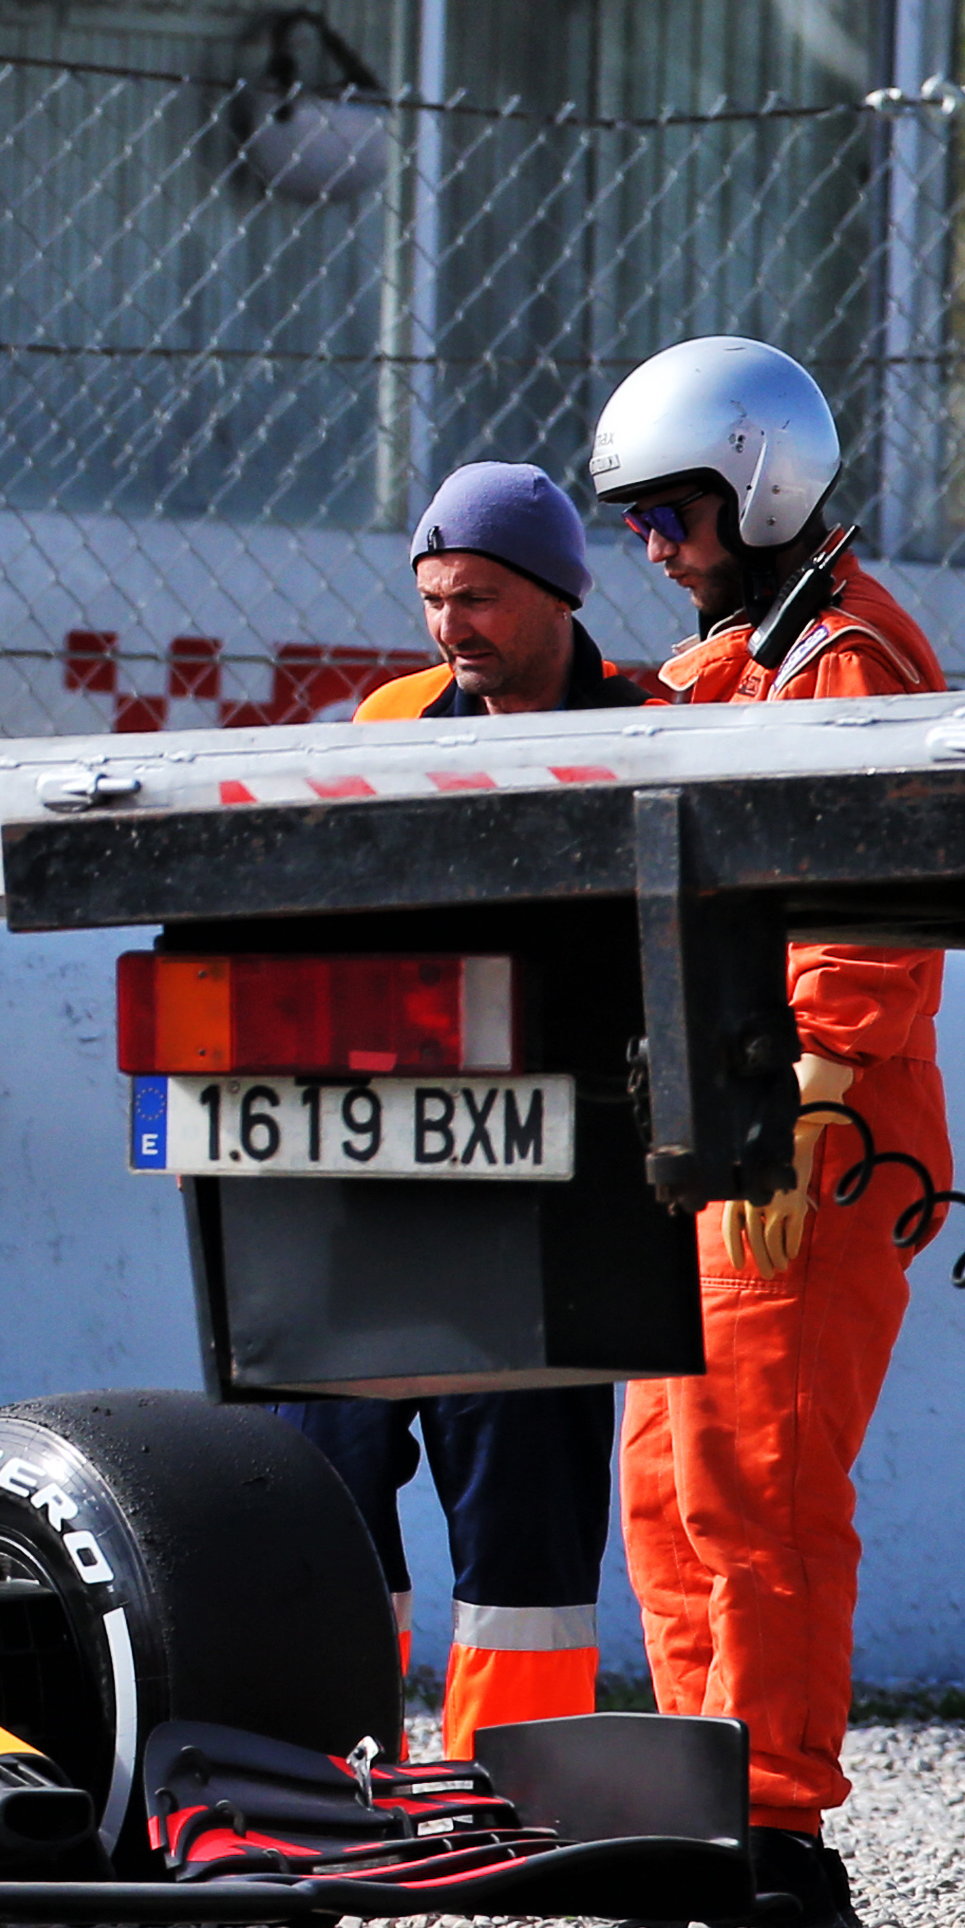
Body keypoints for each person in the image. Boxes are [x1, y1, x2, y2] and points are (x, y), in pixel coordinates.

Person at [585, 335, 945, 1928]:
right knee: (667, 1481)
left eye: (672, 515)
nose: (653, 549)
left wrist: (823, 1092)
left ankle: (778, 1823)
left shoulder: (849, 656)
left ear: (759, 486)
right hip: (712, 1130)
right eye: (636, 523)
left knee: (762, 1484)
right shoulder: (752, 655)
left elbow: (865, 900)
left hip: (808, 1140)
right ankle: (699, 1796)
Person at [298, 461, 646, 1761]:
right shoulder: (385, 722)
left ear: (560, 594)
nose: (454, 628)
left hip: (555, 1181)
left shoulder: (643, 729)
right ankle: (330, 1759)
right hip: (386, 1165)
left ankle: (512, 1781)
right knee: (317, 1462)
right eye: (438, 599)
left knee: (524, 1499)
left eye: (483, 598)